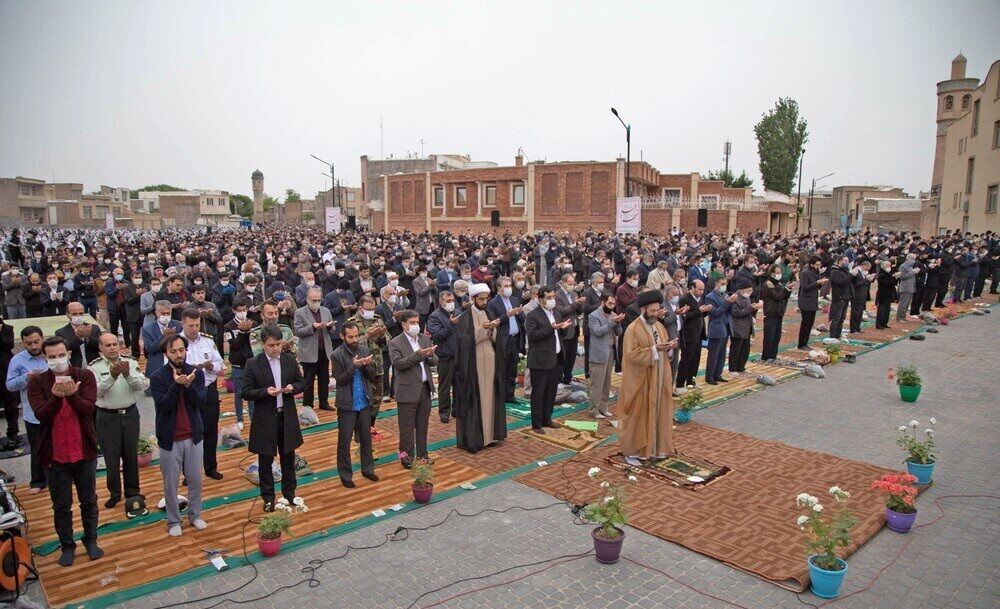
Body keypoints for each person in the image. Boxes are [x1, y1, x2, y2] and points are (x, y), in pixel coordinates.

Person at [27, 336, 102, 566]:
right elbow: (41, 415)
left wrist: (71, 394)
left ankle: (90, 540)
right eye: (51, 357)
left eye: (61, 355)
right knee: (61, 505)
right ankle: (67, 545)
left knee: (88, 500)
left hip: (83, 452)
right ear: (44, 358)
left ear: (68, 353)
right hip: (55, 455)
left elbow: (88, 409)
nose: (57, 360)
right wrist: (57, 397)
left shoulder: (84, 376)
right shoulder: (37, 383)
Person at [242, 324, 307, 508]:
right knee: (266, 462)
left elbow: (302, 382)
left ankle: (289, 494)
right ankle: (268, 498)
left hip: (286, 417)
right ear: (263, 344)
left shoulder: (289, 360)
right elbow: (245, 392)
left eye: (278, 344)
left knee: (288, 459)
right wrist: (265, 392)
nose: (276, 348)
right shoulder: (253, 364)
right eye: (271, 345)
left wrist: (292, 388)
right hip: (265, 419)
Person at [149, 334, 208, 537]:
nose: (178, 354)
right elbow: (163, 404)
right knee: (171, 483)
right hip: (170, 438)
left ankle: (195, 515)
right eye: (173, 351)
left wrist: (189, 385)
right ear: (166, 353)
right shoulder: (158, 376)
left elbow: (201, 402)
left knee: (195, 480)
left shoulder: (196, 373)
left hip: (193, 436)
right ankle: (174, 520)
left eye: (181, 350)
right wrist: (177, 385)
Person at [91, 331, 148, 509]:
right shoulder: (94, 367)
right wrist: (112, 376)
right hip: (107, 417)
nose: (113, 347)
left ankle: (133, 492)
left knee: (131, 455)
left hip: (130, 414)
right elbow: (95, 392)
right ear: (100, 348)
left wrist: (127, 375)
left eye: (115, 344)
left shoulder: (130, 362)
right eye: (108, 345)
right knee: (111, 457)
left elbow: (141, 385)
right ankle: (114, 493)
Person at [619, 290, 675, 466]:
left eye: (657, 310)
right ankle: (633, 452)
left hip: (658, 378)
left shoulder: (659, 326)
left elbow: (663, 347)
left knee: (659, 411)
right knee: (639, 414)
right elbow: (630, 355)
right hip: (641, 381)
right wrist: (653, 350)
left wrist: (669, 347)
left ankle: (656, 448)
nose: (655, 314)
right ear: (643, 309)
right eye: (652, 311)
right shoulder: (633, 328)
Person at [454, 284, 507, 453]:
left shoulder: (489, 313)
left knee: (490, 398)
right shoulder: (464, 318)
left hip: (490, 362)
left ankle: (490, 437)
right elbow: (465, 342)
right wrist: (483, 330)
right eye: (481, 299)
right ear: (473, 299)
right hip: (473, 365)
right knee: (476, 400)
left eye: (486, 299)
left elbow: (495, 339)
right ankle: (475, 439)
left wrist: (492, 330)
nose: (484, 302)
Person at [330, 322, 381, 487]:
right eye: (350, 336)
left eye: (356, 336)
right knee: (344, 443)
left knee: (366, 440)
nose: (354, 339)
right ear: (342, 336)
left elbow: (373, 376)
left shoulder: (364, 350)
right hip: (347, 405)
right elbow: (340, 380)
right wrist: (354, 366)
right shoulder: (337, 355)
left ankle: (368, 469)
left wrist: (366, 366)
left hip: (364, 402)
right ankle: (345, 476)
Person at [180, 307, 225, 480]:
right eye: (190, 325)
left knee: (210, 430)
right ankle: (189, 473)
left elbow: (220, 364)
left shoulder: (207, 341)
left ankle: (210, 467)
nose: (194, 329)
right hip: (188, 391)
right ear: (183, 323)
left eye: (197, 325)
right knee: (189, 433)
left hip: (208, 390)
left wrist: (211, 366)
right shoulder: (176, 343)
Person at [389, 310, 437, 468]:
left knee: (423, 426)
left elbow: (434, 361)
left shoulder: (424, 338)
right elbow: (399, 364)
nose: (416, 325)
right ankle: (406, 457)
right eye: (412, 322)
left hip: (424, 389)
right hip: (407, 391)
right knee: (406, 428)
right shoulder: (395, 343)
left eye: (417, 322)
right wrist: (418, 355)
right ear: (404, 324)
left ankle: (423, 456)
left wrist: (430, 355)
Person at [6, 326, 49, 493]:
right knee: (37, 447)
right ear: (23, 342)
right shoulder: (17, 360)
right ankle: (38, 481)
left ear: (42, 338)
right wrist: (27, 378)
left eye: (36, 342)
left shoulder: (51, 354)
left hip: (56, 409)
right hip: (33, 413)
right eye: (28, 343)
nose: (33, 346)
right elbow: (9, 385)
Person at [524, 287, 570, 433]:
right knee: (538, 393)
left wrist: (562, 328)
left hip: (555, 358)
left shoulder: (555, 313)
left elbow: (558, 334)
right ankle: (537, 424)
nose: (552, 300)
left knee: (551, 391)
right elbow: (532, 336)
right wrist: (552, 328)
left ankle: (547, 419)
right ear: (540, 299)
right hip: (540, 360)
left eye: (553, 297)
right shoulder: (532, 315)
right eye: (548, 297)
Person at [293, 287, 337, 411]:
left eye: (318, 300)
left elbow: (332, 331)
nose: (316, 302)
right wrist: (312, 327)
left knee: (324, 379)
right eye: (313, 300)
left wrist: (329, 327)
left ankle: (324, 402)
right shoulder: (300, 312)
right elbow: (297, 331)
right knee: (308, 381)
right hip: (309, 352)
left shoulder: (325, 311)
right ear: (307, 300)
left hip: (324, 350)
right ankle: (308, 405)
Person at [486, 277, 523, 404]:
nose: (508, 288)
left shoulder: (515, 300)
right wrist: (507, 315)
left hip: (515, 339)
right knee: (501, 369)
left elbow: (521, 318)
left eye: (510, 285)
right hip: (503, 340)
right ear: (499, 288)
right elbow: (493, 322)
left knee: (512, 370)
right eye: (506, 286)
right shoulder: (493, 303)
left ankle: (510, 395)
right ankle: (500, 396)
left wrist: (519, 313)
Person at [587, 292, 623, 419]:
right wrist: (612, 322)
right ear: (603, 302)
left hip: (611, 352)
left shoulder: (613, 315)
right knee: (597, 383)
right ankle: (593, 409)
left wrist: (618, 322)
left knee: (607, 382)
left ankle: (603, 407)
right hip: (598, 354)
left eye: (614, 303)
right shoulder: (593, 316)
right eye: (610, 303)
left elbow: (619, 333)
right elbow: (597, 332)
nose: (612, 306)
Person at [427, 291, 459, 424]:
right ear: (441, 302)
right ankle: (444, 412)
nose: (451, 303)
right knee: (445, 386)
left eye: (452, 300)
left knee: (459, 385)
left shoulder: (457, 312)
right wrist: (451, 324)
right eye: (448, 300)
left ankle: (457, 410)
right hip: (445, 356)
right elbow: (437, 335)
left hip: (458, 354)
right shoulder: (434, 317)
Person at [224, 297, 256, 428]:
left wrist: (248, 330)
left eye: (244, 310)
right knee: (238, 393)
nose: (242, 313)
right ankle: (239, 419)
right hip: (237, 364)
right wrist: (243, 332)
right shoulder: (228, 326)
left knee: (252, 392)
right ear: (234, 311)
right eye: (239, 310)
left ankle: (253, 417)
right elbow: (234, 345)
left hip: (251, 362)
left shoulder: (252, 323)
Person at [676, 280, 710, 388]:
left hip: (698, 334)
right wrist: (699, 311)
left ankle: (691, 382)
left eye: (703, 289)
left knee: (696, 360)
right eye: (699, 289)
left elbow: (699, 315)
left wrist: (705, 311)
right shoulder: (684, 299)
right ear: (692, 288)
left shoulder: (699, 299)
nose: (701, 292)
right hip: (689, 335)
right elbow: (684, 317)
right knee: (686, 360)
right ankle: (680, 384)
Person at [554, 273, 586, 384]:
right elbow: (560, 312)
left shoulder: (573, 294)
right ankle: (559, 380)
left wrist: (580, 303)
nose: (572, 286)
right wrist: (575, 304)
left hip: (575, 329)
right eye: (569, 284)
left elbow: (580, 311)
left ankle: (568, 377)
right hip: (565, 330)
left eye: (573, 284)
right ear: (563, 283)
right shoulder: (557, 295)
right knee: (563, 357)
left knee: (572, 356)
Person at [704, 276, 736, 385]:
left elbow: (729, 311)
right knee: (714, 354)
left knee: (722, 354)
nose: (724, 286)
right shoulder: (710, 297)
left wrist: (732, 302)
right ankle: (709, 377)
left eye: (725, 283)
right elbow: (715, 313)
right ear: (716, 283)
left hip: (725, 327)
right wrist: (727, 303)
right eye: (722, 283)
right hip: (716, 328)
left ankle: (718, 374)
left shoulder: (725, 295)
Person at [141, 300, 183, 376]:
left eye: (168, 313)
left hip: (176, 366)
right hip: (157, 366)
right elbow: (149, 349)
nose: (166, 316)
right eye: (163, 313)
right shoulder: (147, 329)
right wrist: (163, 337)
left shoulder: (179, 325)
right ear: (156, 313)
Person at [55, 301, 102, 369]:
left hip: (94, 367)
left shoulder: (94, 328)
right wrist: (78, 338)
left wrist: (88, 337)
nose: (78, 316)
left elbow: (100, 347)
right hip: (74, 368)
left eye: (80, 313)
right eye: (74, 314)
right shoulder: (61, 332)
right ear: (68, 315)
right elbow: (64, 350)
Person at [760, 265, 792, 361]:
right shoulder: (768, 284)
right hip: (771, 313)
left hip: (778, 313)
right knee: (769, 337)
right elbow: (777, 296)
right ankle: (766, 357)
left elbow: (783, 297)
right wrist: (785, 289)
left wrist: (788, 290)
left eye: (780, 272)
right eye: (777, 272)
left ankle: (773, 356)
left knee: (776, 337)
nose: (779, 274)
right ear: (772, 273)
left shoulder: (778, 284)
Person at [728, 280, 759, 374]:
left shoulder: (747, 297)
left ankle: (741, 367)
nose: (750, 292)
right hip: (738, 327)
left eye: (751, 290)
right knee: (736, 349)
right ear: (742, 289)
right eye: (748, 290)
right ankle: (733, 369)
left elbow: (747, 309)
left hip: (747, 326)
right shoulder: (735, 297)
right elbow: (736, 313)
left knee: (745, 349)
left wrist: (753, 308)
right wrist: (751, 308)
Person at [797, 257, 826, 349]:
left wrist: (820, 283)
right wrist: (817, 282)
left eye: (819, 265)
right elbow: (805, 287)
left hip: (813, 300)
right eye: (817, 265)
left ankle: (806, 343)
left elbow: (817, 287)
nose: (818, 267)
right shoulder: (806, 273)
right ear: (811, 264)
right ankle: (801, 344)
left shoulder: (815, 272)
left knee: (810, 323)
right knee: (805, 324)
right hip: (806, 301)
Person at [827, 256, 853, 339]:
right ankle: (832, 336)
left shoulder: (844, 271)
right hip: (839, 297)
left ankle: (838, 335)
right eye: (845, 261)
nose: (847, 262)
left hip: (845, 297)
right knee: (836, 318)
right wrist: (851, 275)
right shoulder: (835, 272)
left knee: (842, 318)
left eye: (847, 260)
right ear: (839, 262)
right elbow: (841, 282)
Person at [849, 261, 875, 334]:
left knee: (860, 313)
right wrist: (866, 280)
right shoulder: (856, 272)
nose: (867, 270)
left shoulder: (862, 273)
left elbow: (863, 283)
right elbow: (856, 284)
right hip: (856, 296)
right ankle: (853, 329)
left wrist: (869, 279)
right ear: (863, 265)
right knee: (855, 313)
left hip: (862, 296)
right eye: (867, 268)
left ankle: (858, 328)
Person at [897, 254, 920, 322]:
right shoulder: (902, 266)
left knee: (907, 304)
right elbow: (902, 277)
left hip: (911, 287)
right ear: (908, 259)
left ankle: (903, 316)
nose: (913, 261)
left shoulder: (910, 266)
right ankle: (900, 317)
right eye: (912, 259)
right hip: (905, 287)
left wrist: (914, 271)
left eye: (914, 259)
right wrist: (912, 272)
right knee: (903, 304)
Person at [875, 260, 897, 330]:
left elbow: (891, 282)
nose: (890, 267)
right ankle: (879, 324)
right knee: (882, 310)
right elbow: (887, 283)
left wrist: (895, 277)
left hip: (888, 294)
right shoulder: (882, 274)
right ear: (884, 266)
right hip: (883, 295)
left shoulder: (887, 273)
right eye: (888, 266)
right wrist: (894, 278)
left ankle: (884, 323)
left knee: (887, 310)